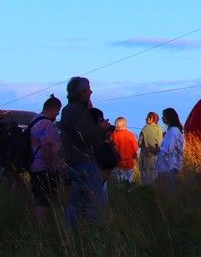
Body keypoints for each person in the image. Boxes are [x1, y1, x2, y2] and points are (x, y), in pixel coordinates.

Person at [60, 76, 111, 226]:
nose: (91, 92)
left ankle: (71, 236)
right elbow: (84, 136)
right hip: (84, 162)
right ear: (81, 92)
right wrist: (101, 129)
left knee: (76, 204)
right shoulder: (75, 111)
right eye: (88, 89)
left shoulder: (71, 110)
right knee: (96, 202)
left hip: (76, 162)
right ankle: (94, 235)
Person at [28, 94, 64, 222]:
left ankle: (40, 227)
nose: (57, 115)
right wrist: (52, 167)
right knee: (45, 200)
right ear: (53, 108)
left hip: (34, 166)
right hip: (44, 168)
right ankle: (43, 228)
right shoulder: (46, 124)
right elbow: (47, 147)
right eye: (57, 111)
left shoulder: (35, 120)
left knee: (39, 197)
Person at [156, 108, 185, 189]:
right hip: (170, 166)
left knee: (170, 191)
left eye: (164, 116)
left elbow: (168, 149)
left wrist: (157, 150)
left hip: (170, 166)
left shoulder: (173, 131)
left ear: (169, 117)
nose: (162, 118)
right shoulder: (172, 131)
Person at [138, 111, 163, 185]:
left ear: (151, 119)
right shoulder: (159, 128)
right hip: (156, 154)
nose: (145, 118)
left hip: (145, 153)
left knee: (145, 173)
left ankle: (146, 189)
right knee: (154, 172)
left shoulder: (145, 128)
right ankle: (154, 188)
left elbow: (139, 144)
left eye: (147, 117)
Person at [111, 117, 139, 184]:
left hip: (117, 162)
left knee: (118, 184)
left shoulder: (113, 135)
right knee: (129, 183)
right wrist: (135, 157)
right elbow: (135, 149)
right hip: (129, 162)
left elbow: (111, 148)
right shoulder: (131, 135)